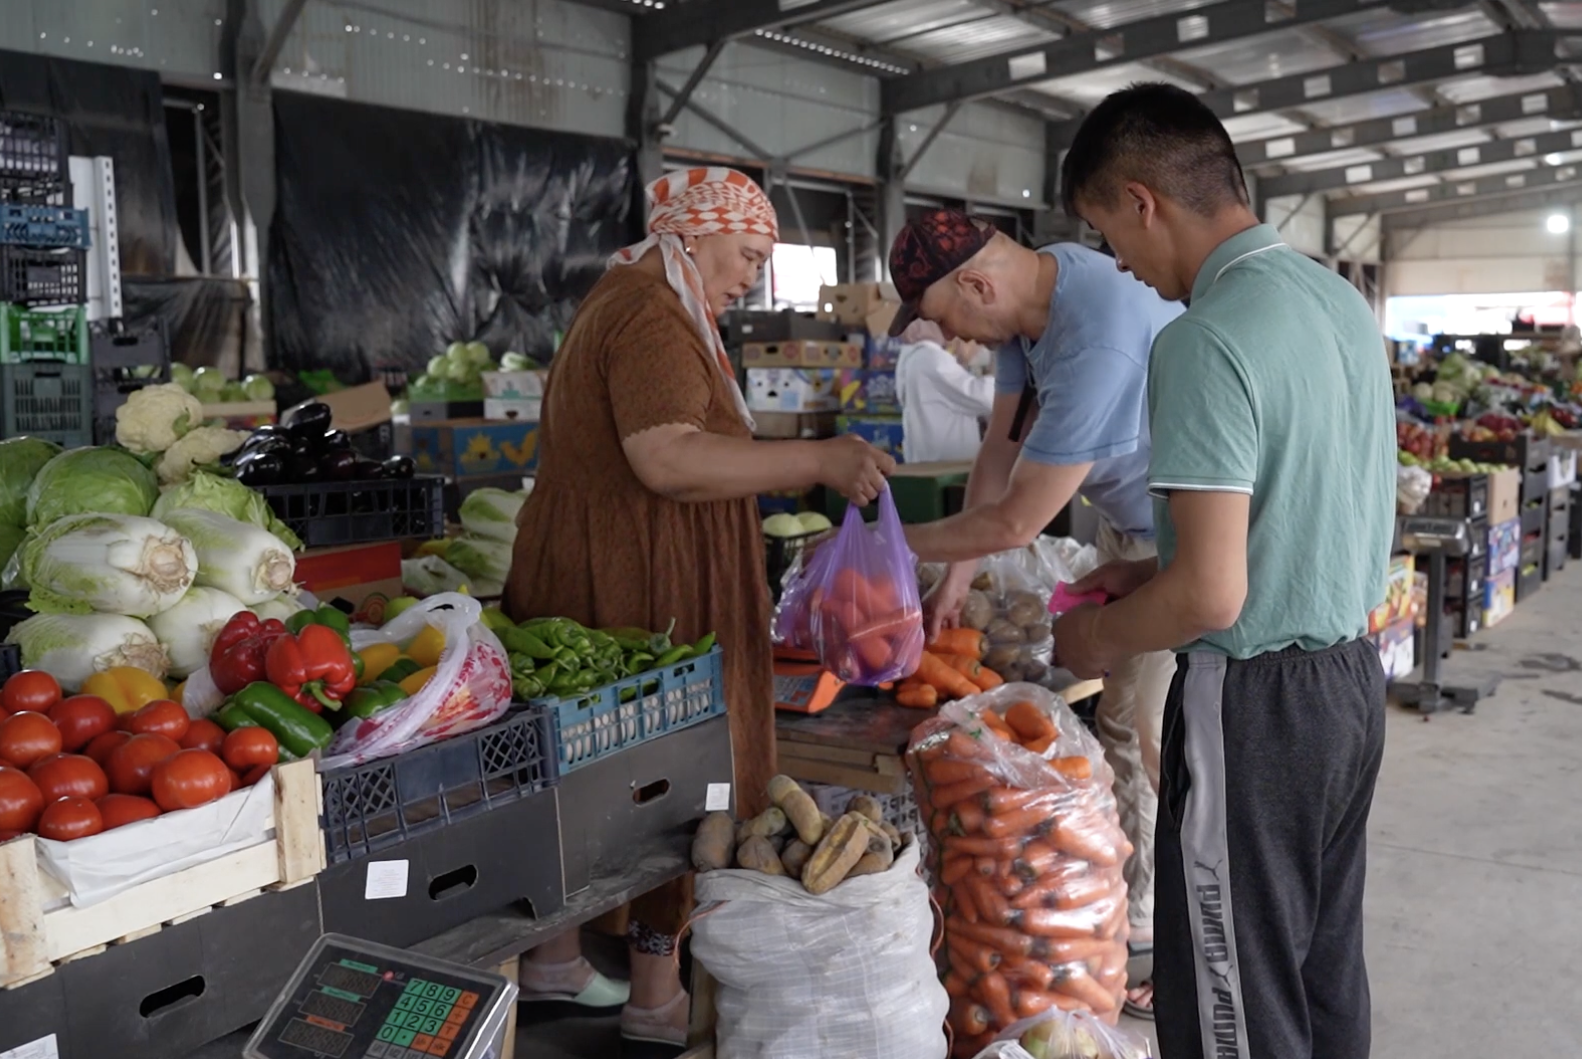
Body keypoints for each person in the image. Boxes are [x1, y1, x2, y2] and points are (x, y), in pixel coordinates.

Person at [503, 167, 893, 1046]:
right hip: (649, 589)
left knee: (585, 778)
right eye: (748, 253)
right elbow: (669, 458)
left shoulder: (633, 297)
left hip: (604, 575)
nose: (753, 274)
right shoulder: (650, 314)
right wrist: (820, 462)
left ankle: (556, 959)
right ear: (693, 234)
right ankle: (654, 996)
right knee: (677, 782)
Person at [1054, 83, 1394, 1059]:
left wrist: (1095, 636)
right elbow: (1304, 507)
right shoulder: (1334, 301)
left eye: (1105, 232)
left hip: (1254, 706)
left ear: (1140, 200)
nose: (1119, 262)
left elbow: (1212, 596)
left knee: (1230, 997)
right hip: (1345, 688)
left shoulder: (1203, 339)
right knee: (1319, 971)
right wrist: (1150, 568)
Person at [887, 208, 1183, 1014]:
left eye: (950, 322)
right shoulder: (1033, 302)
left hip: (1197, 536)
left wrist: (891, 538)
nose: (962, 342)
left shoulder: (1096, 335)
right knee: (1127, 724)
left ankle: (1164, 948)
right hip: (1136, 528)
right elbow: (999, 452)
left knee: (1152, 733)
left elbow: (1020, 518)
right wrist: (953, 577)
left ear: (978, 283)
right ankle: (1123, 917)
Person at [893, 318, 994, 463]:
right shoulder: (931, 359)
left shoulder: (913, 359)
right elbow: (984, 397)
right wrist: (1007, 378)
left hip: (927, 461)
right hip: (947, 463)